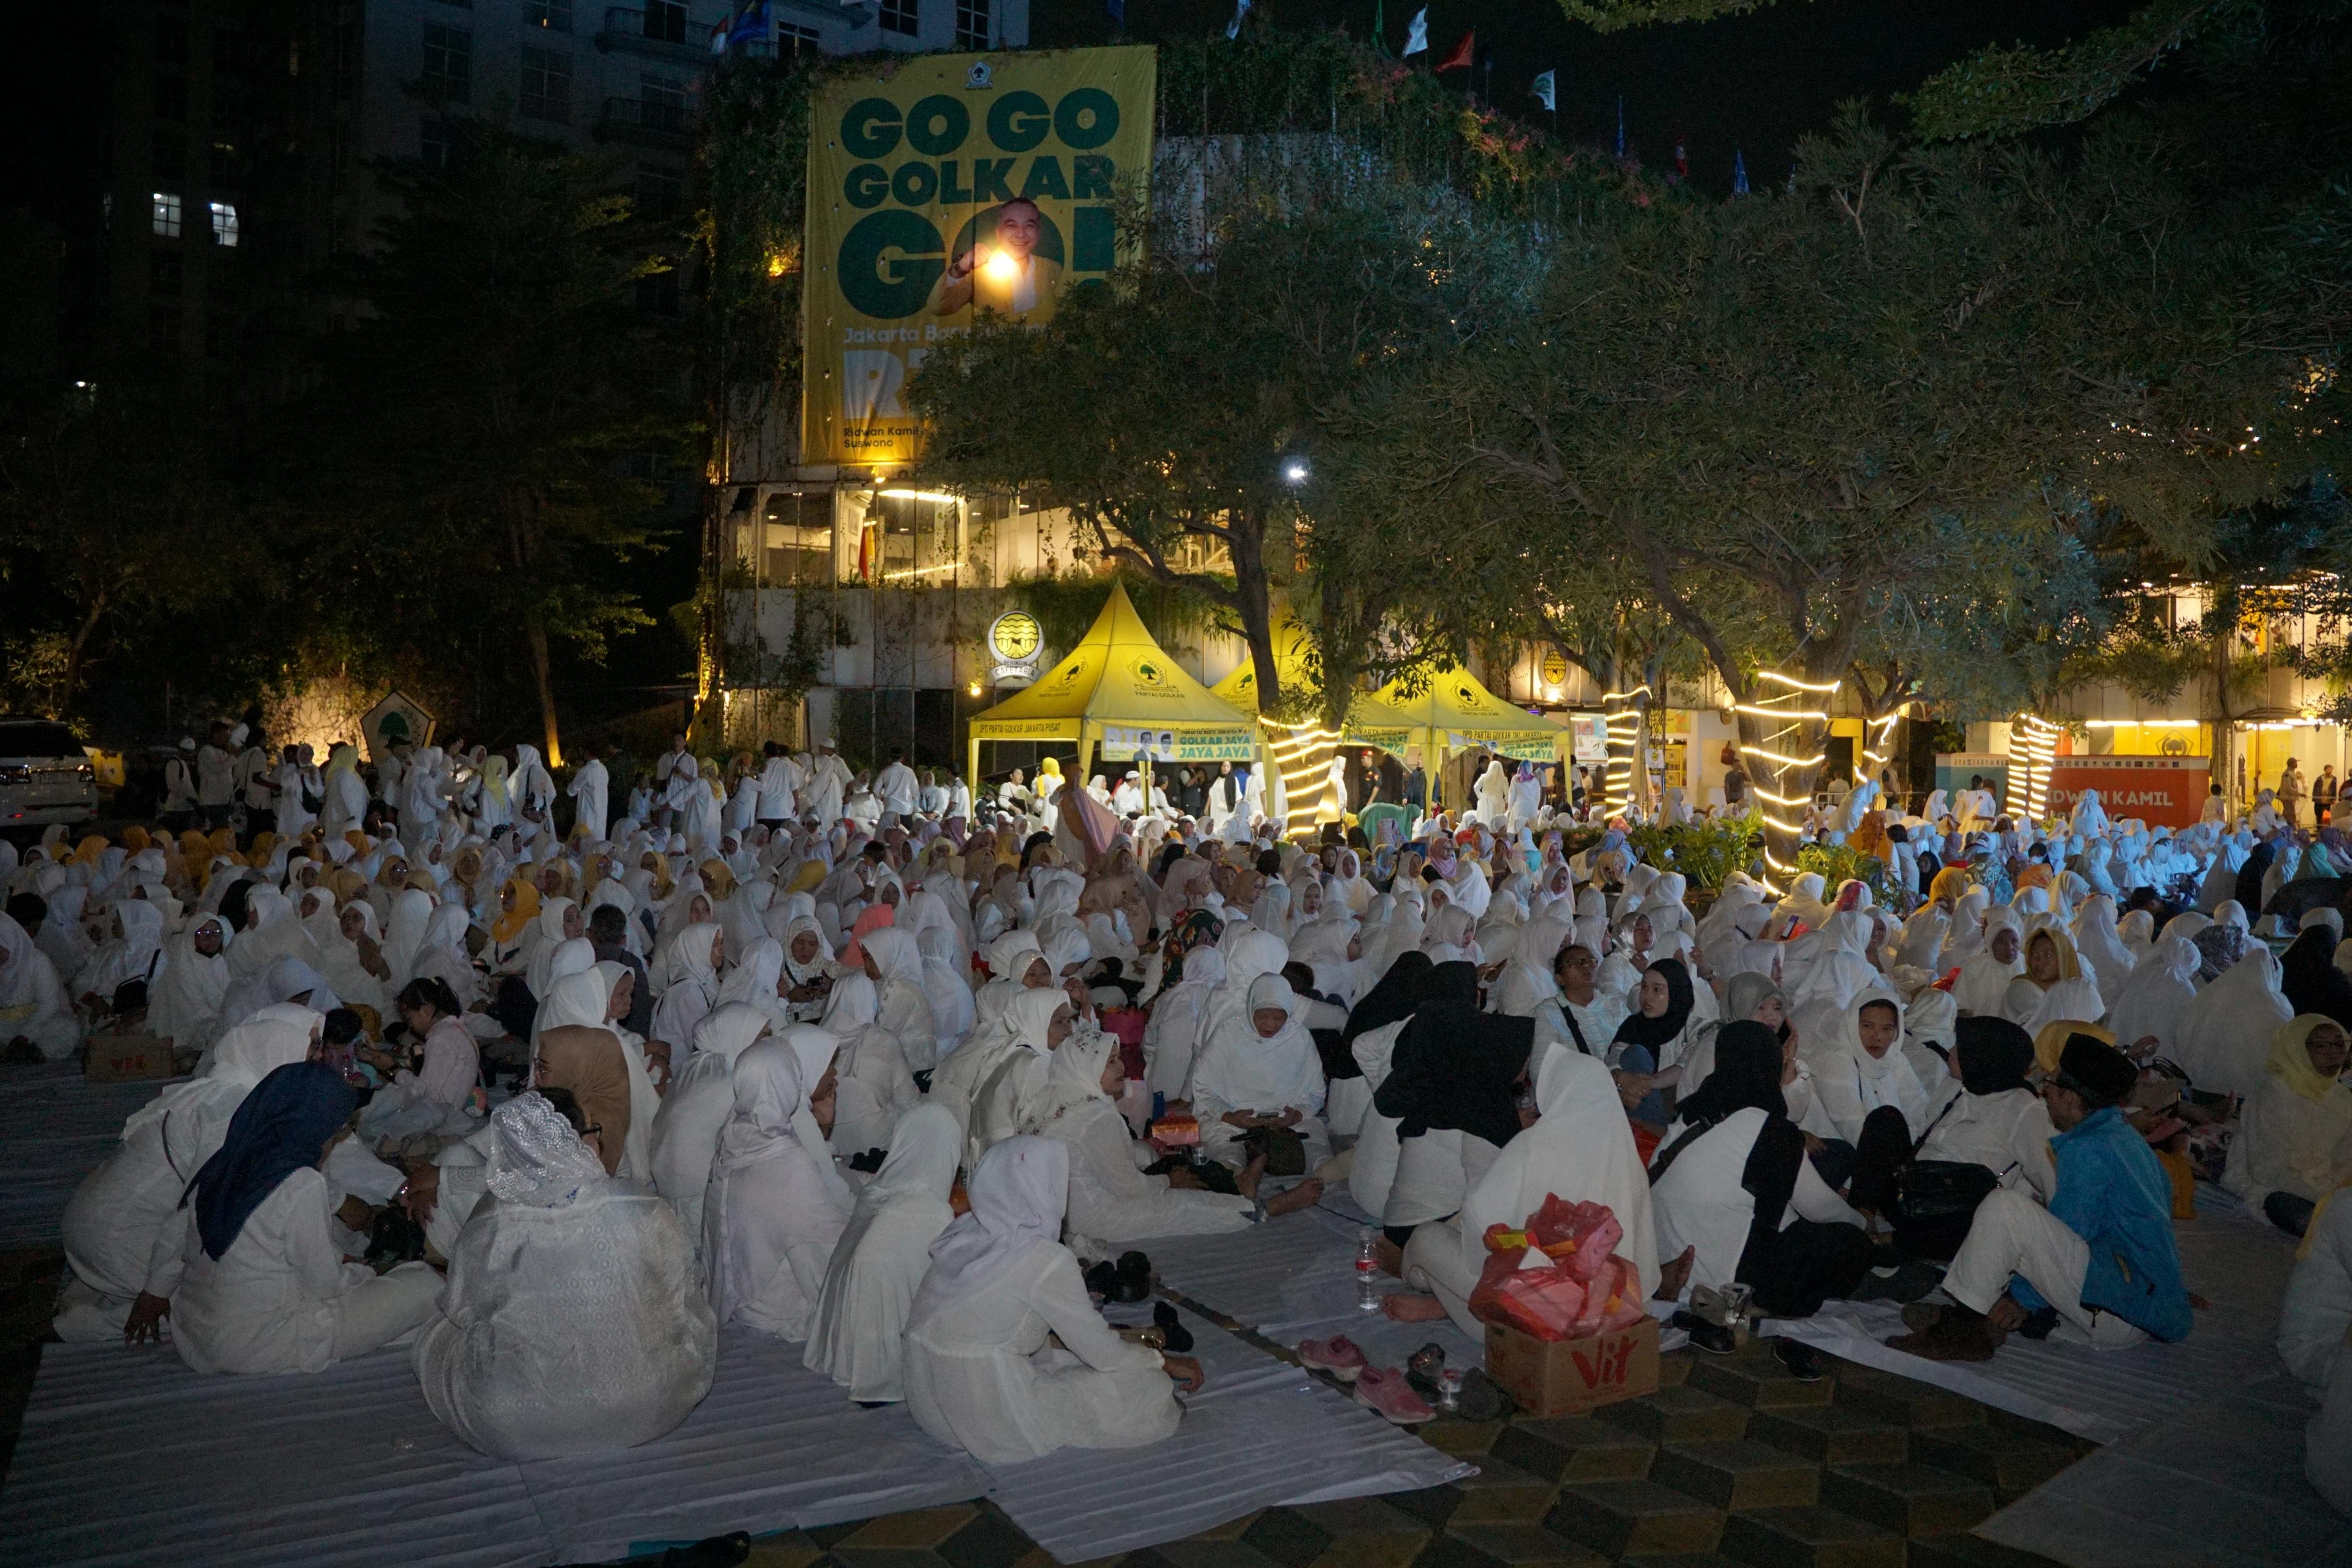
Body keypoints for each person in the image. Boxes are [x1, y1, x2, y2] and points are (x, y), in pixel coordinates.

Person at [414, 1090, 715, 1458]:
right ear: (579, 1140)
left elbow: (466, 1311)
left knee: (436, 1336)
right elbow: (680, 1296)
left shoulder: (490, 1219)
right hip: (646, 1407)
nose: (599, 1139)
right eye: (593, 1129)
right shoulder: (640, 1205)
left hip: (518, 1425)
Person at [1890, 1033, 2190, 1360]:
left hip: (2117, 1309)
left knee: (2005, 1207)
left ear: (2073, 1099)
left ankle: (1965, 1327)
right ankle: (1993, 1319)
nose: (2045, 1091)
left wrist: (2022, 1298)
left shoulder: (2088, 1149)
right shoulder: (2122, 1136)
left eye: (2052, 1084)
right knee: (2027, 1211)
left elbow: (2074, 1228)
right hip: (2133, 1301)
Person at [902, 1137, 1198, 1464]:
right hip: (985, 1415)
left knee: (1068, 1359)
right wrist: (1162, 1363)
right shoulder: (1043, 1258)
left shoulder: (964, 1233)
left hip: (927, 1398)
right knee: (1147, 1385)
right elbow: (1104, 1354)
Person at [147, 1061, 444, 1374]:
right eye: (338, 1131)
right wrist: (374, 1272)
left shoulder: (226, 1159)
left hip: (194, 1332)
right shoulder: (301, 1183)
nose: (335, 1141)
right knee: (425, 1284)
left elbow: (178, 1231)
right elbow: (324, 1287)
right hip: (260, 1343)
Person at [56, 1006, 321, 1341]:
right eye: (312, 1046)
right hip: (117, 1234)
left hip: (101, 1217)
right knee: (214, 1313)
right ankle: (78, 1326)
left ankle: (94, 1292)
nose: (320, 1056)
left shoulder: (226, 1089)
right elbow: (198, 1207)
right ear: (279, 1049)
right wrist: (157, 1289)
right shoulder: (230, 1111)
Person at [1392, 1042, 1660, 1338]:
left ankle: (1432, 1289)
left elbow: (1480, 1232)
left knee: (1426, 1238)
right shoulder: (1630, 1160)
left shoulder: (1532, 1147)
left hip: (1535, 1327)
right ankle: (1446, 1300)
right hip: (1614, 1321)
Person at [1648, 1020, 1875, 1319]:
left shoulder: (1689, 1114)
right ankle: (1764, 1308)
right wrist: (1861, 1223)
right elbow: (1820, 1208)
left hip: (1667, 1272)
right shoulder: (1768, 1130)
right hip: (1724, 1289)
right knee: (1848, 1243)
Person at [1028, 1025, 1288, 1251]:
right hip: (1094, 1218)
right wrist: (1169, 1182)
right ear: (1087, 1067)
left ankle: (1238, 1189)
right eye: (1110, 1062)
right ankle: (1263, 1209)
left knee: (1151, 1157)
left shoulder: (1051, 1097)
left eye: (1119, 1058)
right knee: (1181, 1204)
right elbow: (1130, 1189)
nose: (1122, 1067)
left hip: (1055, 1212)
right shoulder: (1096, 1116)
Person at [804, 1103, 960, 1404]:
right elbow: (941, 1291)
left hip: (846, 1348)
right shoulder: (929, 1210)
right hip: (884, 1360)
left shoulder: (876, 1193)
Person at [701, 1038, 852, 1340]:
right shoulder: (787, 1160)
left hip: (736, 1296)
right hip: (778, 1309)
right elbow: (824, 1247)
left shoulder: (732, 1133)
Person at [2223, 1015, 2352, 1236]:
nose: (2333, 1053)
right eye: (2321, 1045)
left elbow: (2345, 1159)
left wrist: (2335, 1190)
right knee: (2290, 1209)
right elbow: (2266, 1170)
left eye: (2339, 1045)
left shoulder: (2342, 1097)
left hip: (2326, 1189)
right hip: (2275, 1187)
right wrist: (2322, 1196)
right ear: (2297, 1049)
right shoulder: (2273, 1092)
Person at [567, 743, 610, 842]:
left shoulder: (586, 770)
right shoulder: (603, 769)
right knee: (598, 843)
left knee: (583, 844)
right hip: (601, 814)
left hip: (587, 814)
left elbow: (571, 791)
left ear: (588, 753)